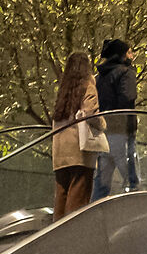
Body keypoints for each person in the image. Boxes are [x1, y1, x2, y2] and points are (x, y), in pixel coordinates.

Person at [50, 53, 102, 219]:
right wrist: (104, 123)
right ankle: (72, 240)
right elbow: (91, 115)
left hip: (60, 153)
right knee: (78, 200)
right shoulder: (88, 86)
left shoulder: (63, 90)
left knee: (61, 198)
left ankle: (55, 238)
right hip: (79, 150)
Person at [95, 40, 139, 198]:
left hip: (103, 132)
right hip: (122, 131)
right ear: (122, 54)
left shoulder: (99, 77)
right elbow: (128, 97)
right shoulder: (126, 73)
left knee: (101, 182)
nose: (132, 55)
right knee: (133, 180)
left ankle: (93, 215)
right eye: (129, 52)